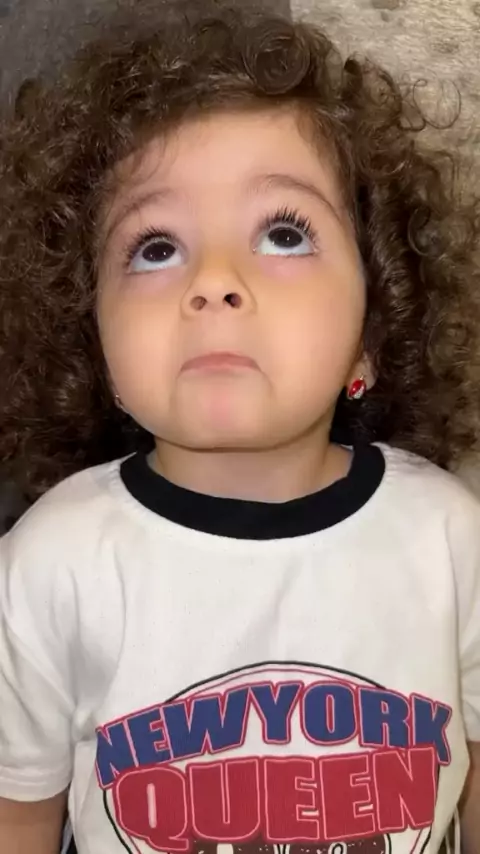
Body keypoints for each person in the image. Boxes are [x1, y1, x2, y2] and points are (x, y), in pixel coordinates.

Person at [0, 1, 480, 852]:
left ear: (371, 332)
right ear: (96, 344)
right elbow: (18, 815)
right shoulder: (50, 567)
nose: (215, 281)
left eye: (284, 233)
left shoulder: (451, 540)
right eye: (156, 248)